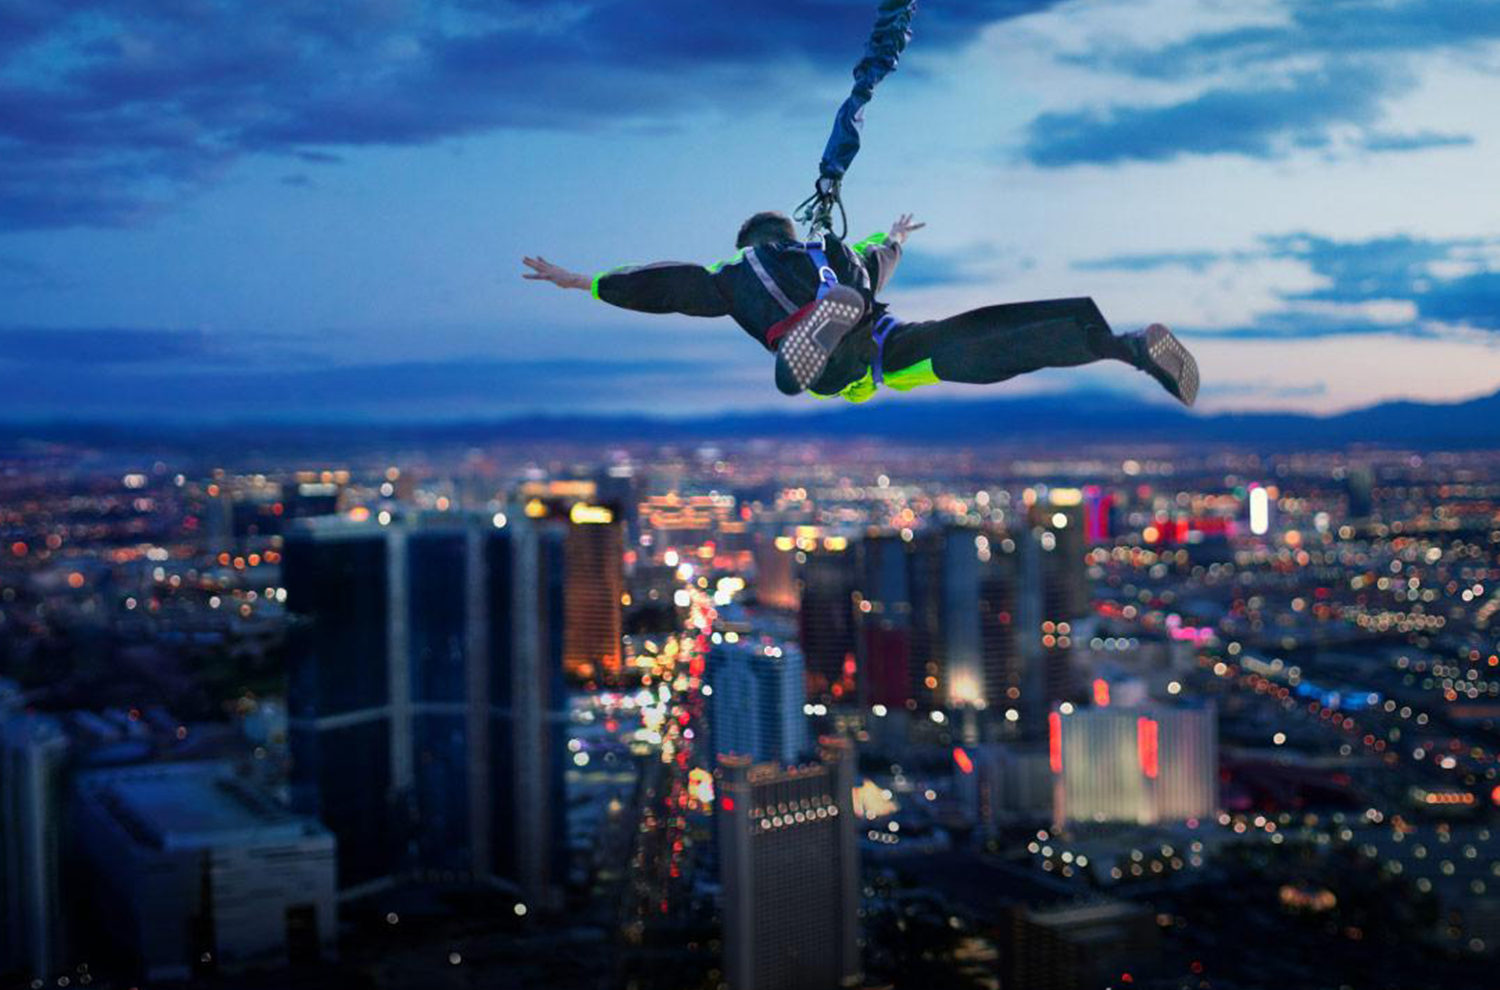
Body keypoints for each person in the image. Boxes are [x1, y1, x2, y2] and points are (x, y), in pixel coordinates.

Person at [521, 211, 1199, 406]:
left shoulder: (729, 275)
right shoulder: (825, 252)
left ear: (745, 243)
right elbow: (879, 256)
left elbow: (661, 285)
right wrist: (895, 236)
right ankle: (1123, 345)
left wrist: (585, 281)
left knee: (796, 379)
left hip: (828, 357)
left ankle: (810, 340)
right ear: (786, 234)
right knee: (973, 347)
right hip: (881, 336)